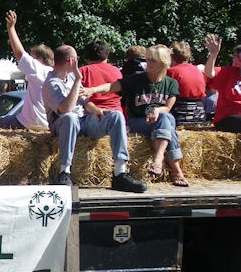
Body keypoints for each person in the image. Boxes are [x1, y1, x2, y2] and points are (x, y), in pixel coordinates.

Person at [41, 45, 147, 192]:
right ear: (71, 61)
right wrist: (78, 80)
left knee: (116, 116)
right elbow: (66, 109)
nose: (79, 61)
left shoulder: (70, 77)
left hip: (84, 121)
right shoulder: (50, 83)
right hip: (62, 125)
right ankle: (64, 172)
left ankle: (120, 172)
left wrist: (97, 111)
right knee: (70, 117)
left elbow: (85, 102)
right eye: (77, 59)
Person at [85, 45, 188, 187]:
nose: (148, 63)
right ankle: (174, 169)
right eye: (147, 59)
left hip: (159, 123)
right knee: (168, 123)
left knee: (166, 118)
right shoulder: (136, 80)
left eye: (153, 60)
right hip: (138, 123)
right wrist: (92, 90)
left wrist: (157, 110)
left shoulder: (171, 83)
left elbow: (167, 108)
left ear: (163, 63)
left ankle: (159, 158)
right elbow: (111, 86)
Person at [0, 10, 53, 130]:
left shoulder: (39, 70)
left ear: (40, 59)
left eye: (32, 57)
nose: (30, 59)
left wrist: (11, 28)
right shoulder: (56, 74)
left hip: (30, 123)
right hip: (49, 125)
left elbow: (19, 53)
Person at [203, 35, 241, 133]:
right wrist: (213, 55)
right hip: (227, 118)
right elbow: (209, 73)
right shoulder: (228, 72)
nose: (235, 59)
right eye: (236, 56)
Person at [167, 41, 206, 123]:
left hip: (180, 113)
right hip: (199, 113)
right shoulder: (197, 70)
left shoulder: (171, 71)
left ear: (171, 57)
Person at [79, 41, 122, 112]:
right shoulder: (116, 70)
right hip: (116, 111)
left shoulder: (82, 71)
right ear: (107, 55)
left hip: (92, 112)